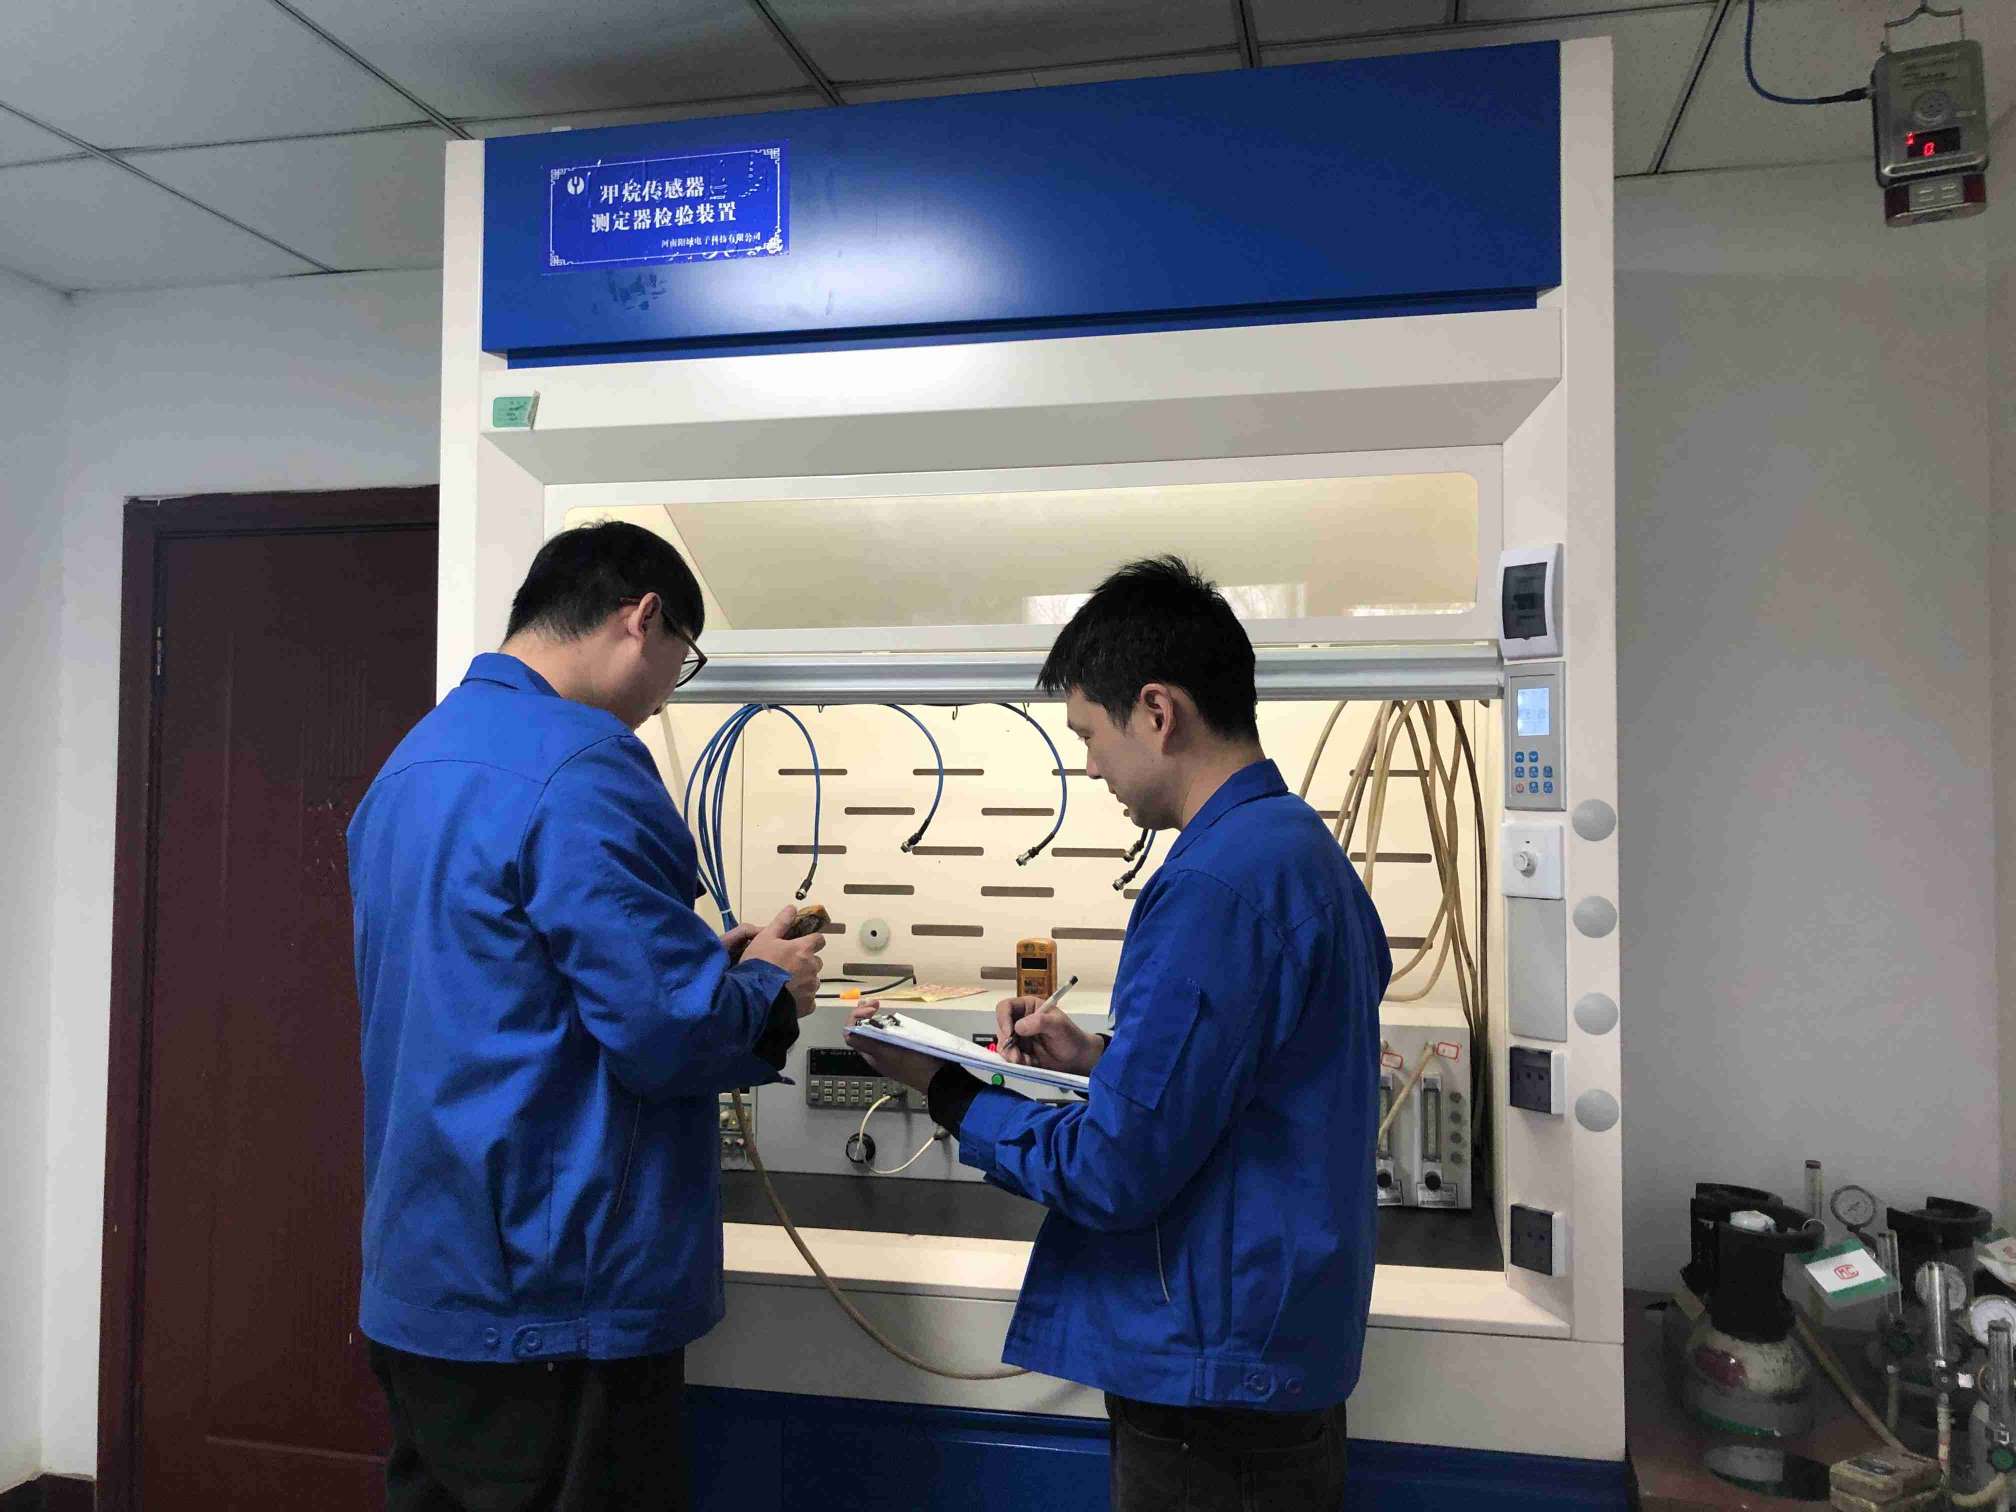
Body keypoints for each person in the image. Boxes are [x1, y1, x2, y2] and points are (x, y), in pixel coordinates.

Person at [849, 556, 1391, 1512]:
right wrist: (1102, 1060)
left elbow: (1115, 1170)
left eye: (1089, 735)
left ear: (1157, 712)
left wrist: (947, 1088)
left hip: (1208, 1392)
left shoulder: (1213, 886)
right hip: (1274, 1365)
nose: (1090, 766)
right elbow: (1258, 1081)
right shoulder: (1302, 854)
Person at [347, 520, 825, 1511]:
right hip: (557, 1296)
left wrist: (708, 965)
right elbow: (667, 1038)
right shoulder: (587, 762)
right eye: (682, 661)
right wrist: (768, 988)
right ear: (642, 618)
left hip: (426, 1274)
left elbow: (509, 986)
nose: (666, 696)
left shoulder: (413, 761)